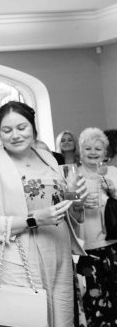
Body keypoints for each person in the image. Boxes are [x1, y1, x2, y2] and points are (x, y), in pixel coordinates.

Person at [0, 101, 87, 326]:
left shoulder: (49, 158)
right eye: (7, 130)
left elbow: (63, 207)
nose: (15, 135)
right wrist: (34, 219)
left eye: (21, 128)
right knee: (27, 319)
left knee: (61, 318)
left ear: (34, 129)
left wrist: (77, 202)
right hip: (18, 257)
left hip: (58, 253)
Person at [76, 127, 117, 325]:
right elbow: (67, 207)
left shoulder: (114, 173)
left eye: (98, 149)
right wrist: (79, 202)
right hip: (88, 247)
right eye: (88, 148)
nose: (93, 152)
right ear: (80, 151)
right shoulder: (73, 176)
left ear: (105, 153)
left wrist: (114, 192)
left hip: (114, 244)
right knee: (95, 300)